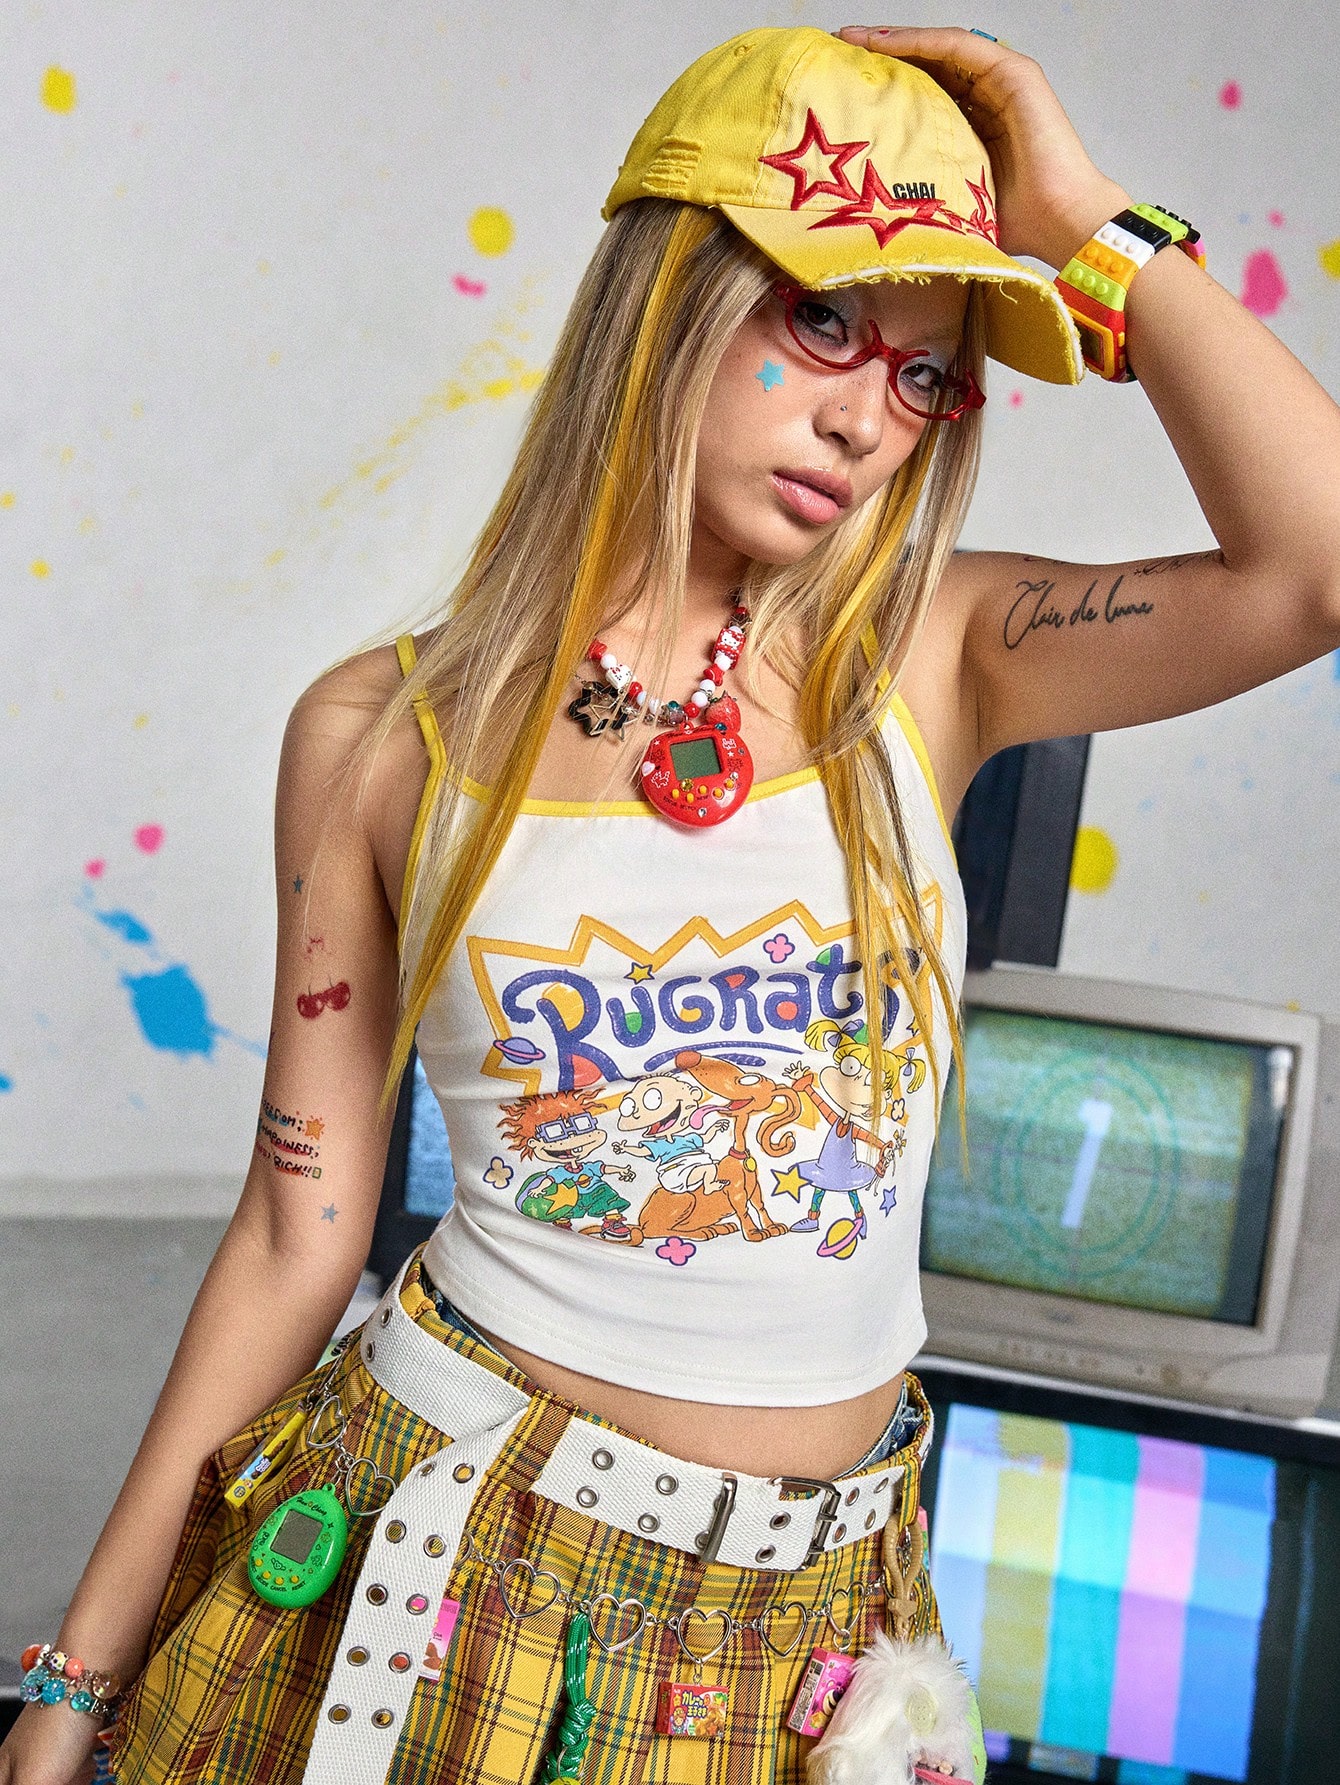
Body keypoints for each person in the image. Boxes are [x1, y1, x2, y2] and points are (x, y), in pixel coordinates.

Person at [6, 20, 1340, 1785]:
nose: (867, 419)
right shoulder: (378, 736)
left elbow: (1318, 565)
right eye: (826, 322)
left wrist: (1086, 214)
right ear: (668, 294)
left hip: (821, 1627)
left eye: (926, 378)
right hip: (454, 1571)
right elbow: (291, 1230)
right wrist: (72, 1681)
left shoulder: (928, 655)